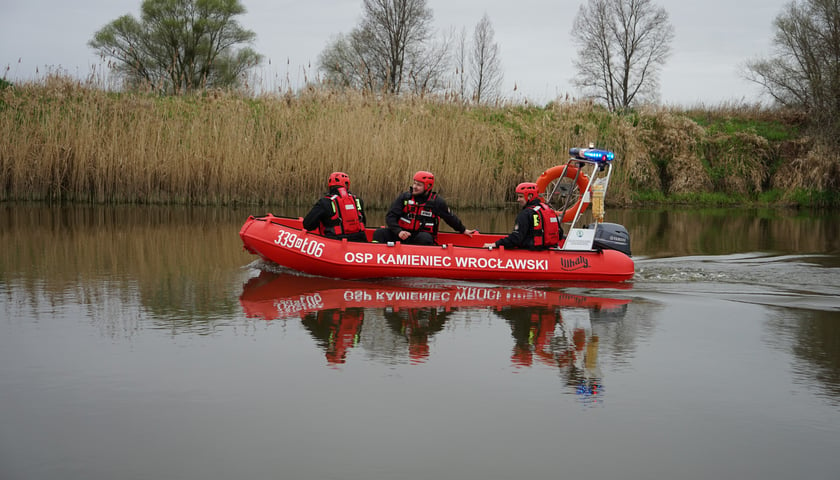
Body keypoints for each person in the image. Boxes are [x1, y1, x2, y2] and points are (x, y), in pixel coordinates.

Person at [373, 170, 477, 245]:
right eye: (414, 183)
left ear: (427, 187)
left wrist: (463, 230)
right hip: (402, 234)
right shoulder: (404, 198)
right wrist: (399, 231)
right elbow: (390, 217)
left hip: (420, 237)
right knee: (380, 233)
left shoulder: (437, 202)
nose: (414, 187)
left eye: (419, 185)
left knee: (424, 238)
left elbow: (450, 218)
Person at [483, 182, 562, 250]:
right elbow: (560, 234)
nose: (518, 199)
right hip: (549, 250)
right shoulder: (548, 210)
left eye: (520, 196)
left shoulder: (525, 214)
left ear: (530, 196)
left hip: (531, 253)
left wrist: (495, 244)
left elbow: (515, 239)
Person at [303, 171, 367, 242]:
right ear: (347, 185)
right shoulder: (357, 200)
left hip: (336, 243)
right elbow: (363, 222)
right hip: (360, 240)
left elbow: (307, 225)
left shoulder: (325, 202)